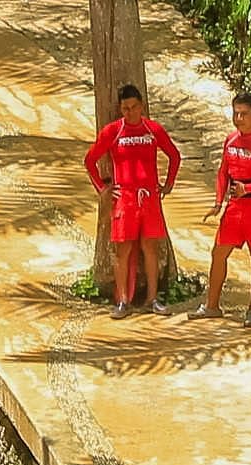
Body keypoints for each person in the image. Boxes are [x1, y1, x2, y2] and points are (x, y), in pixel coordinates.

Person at [83, 85, 181, 317]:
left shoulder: (153, 129)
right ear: (120, 109)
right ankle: (123, 302)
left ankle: (152, 299)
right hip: (124, 199)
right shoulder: (113, 131)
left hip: (149, 198)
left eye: (134, 107)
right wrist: (103, 189)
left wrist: (168, 184)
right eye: (125, 108)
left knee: (150, 248)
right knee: (123, 251)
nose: (130, 112)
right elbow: (89, 160)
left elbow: (174, 156)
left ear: (142, 106)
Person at [195, 92, 251, 325]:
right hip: (234, 207)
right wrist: (218, 202)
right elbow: (224, 172)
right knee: (218, 253)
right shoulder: (231, 140)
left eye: (244, 114)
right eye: (236, 113)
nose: (239, 118)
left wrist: (248, 188)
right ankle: (212, 306)